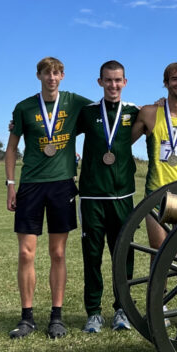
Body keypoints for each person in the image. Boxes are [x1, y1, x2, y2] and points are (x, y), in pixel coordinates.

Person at [5, 57, 91, 339]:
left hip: (62, 186)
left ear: (63, 76)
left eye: (56, 73)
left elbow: (107, 107)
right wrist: (10, 185)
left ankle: (57, 316)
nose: (51, 78)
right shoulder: (24, 108)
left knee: (58, 253)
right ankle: (27, 317)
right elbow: (12, 148)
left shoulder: (75, 102)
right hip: (31, 185)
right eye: (46, 73)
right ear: (38, 76)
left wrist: (150, 107)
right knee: (26, 253)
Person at [75, 60, 139, 333]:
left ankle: (122, 309)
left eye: (118, 80)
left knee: (123, 255)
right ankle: (93, 313)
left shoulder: (135, 112)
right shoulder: (87, 113)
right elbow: (59, 133)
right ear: (99, 82)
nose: (113, 85)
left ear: (125, 82)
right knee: (92, 255)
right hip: (91, 197)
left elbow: (163, 119)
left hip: (123, 195)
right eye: (108, 80)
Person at [131, 62, 177, 256]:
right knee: (159, 251)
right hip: (156, 193)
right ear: (166, 83)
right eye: (174, 79)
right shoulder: (150, 113)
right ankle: (156, 288)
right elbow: (125, 141)